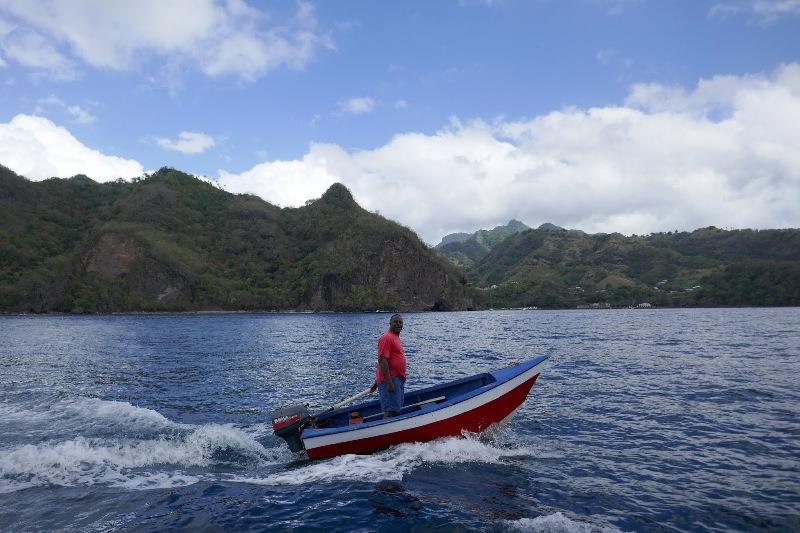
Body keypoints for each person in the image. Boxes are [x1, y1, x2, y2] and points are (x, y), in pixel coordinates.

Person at [369, 314, 406, 418]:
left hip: (397, 379)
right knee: (391, 411)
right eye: (395, 321)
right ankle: (386, 431)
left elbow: (388, 361)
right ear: (390, 323)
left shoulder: (396, 338)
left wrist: (376, 383)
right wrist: (389, 383)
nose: (398, 324)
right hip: (391, 380)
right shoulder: (386, 337)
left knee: (395, 408)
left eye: (400, 322)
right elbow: (382, 361)